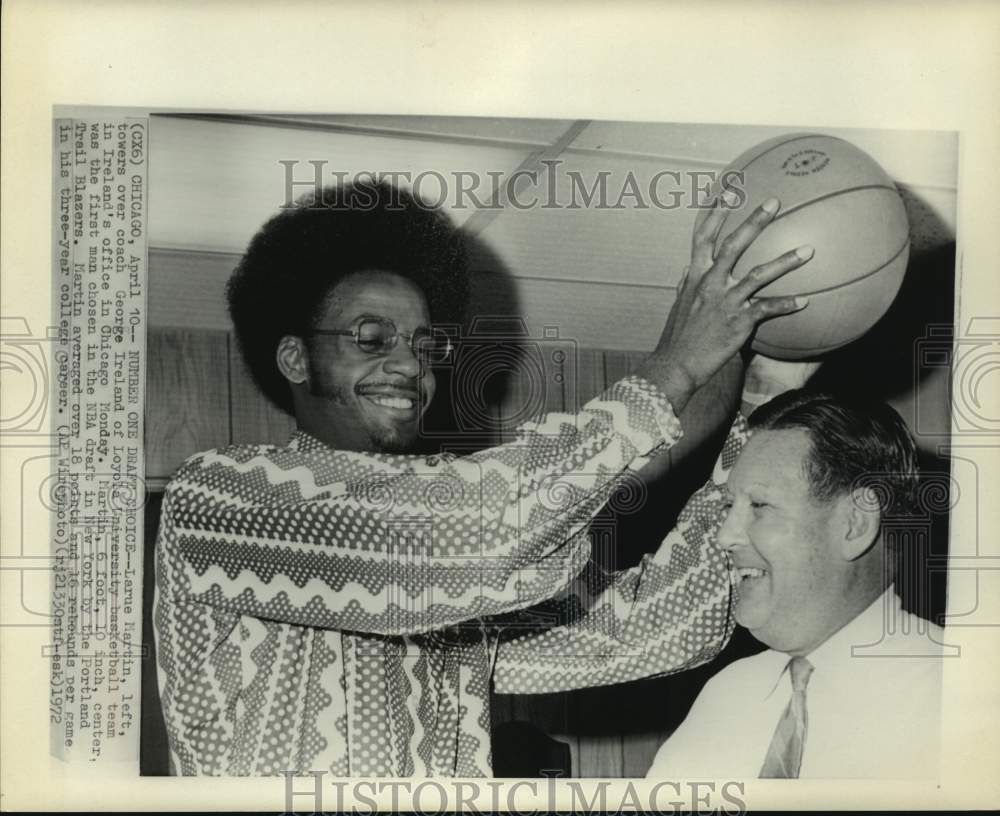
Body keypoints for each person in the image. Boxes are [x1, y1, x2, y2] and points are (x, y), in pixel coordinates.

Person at [153, 180, 814, 776]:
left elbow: (663, 626)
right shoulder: (217, 497)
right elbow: (456, 540)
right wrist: (675, 362)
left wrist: (754, 399)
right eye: (370, 337)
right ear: (296, 358)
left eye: (424, 345)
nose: (409, 365)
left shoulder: (457, 582)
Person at [645, 386, 945, 779]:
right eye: (727, 507)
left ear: (855, 524)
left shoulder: (956, 694)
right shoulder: (726, 696)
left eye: (759, 506)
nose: (724, 536)